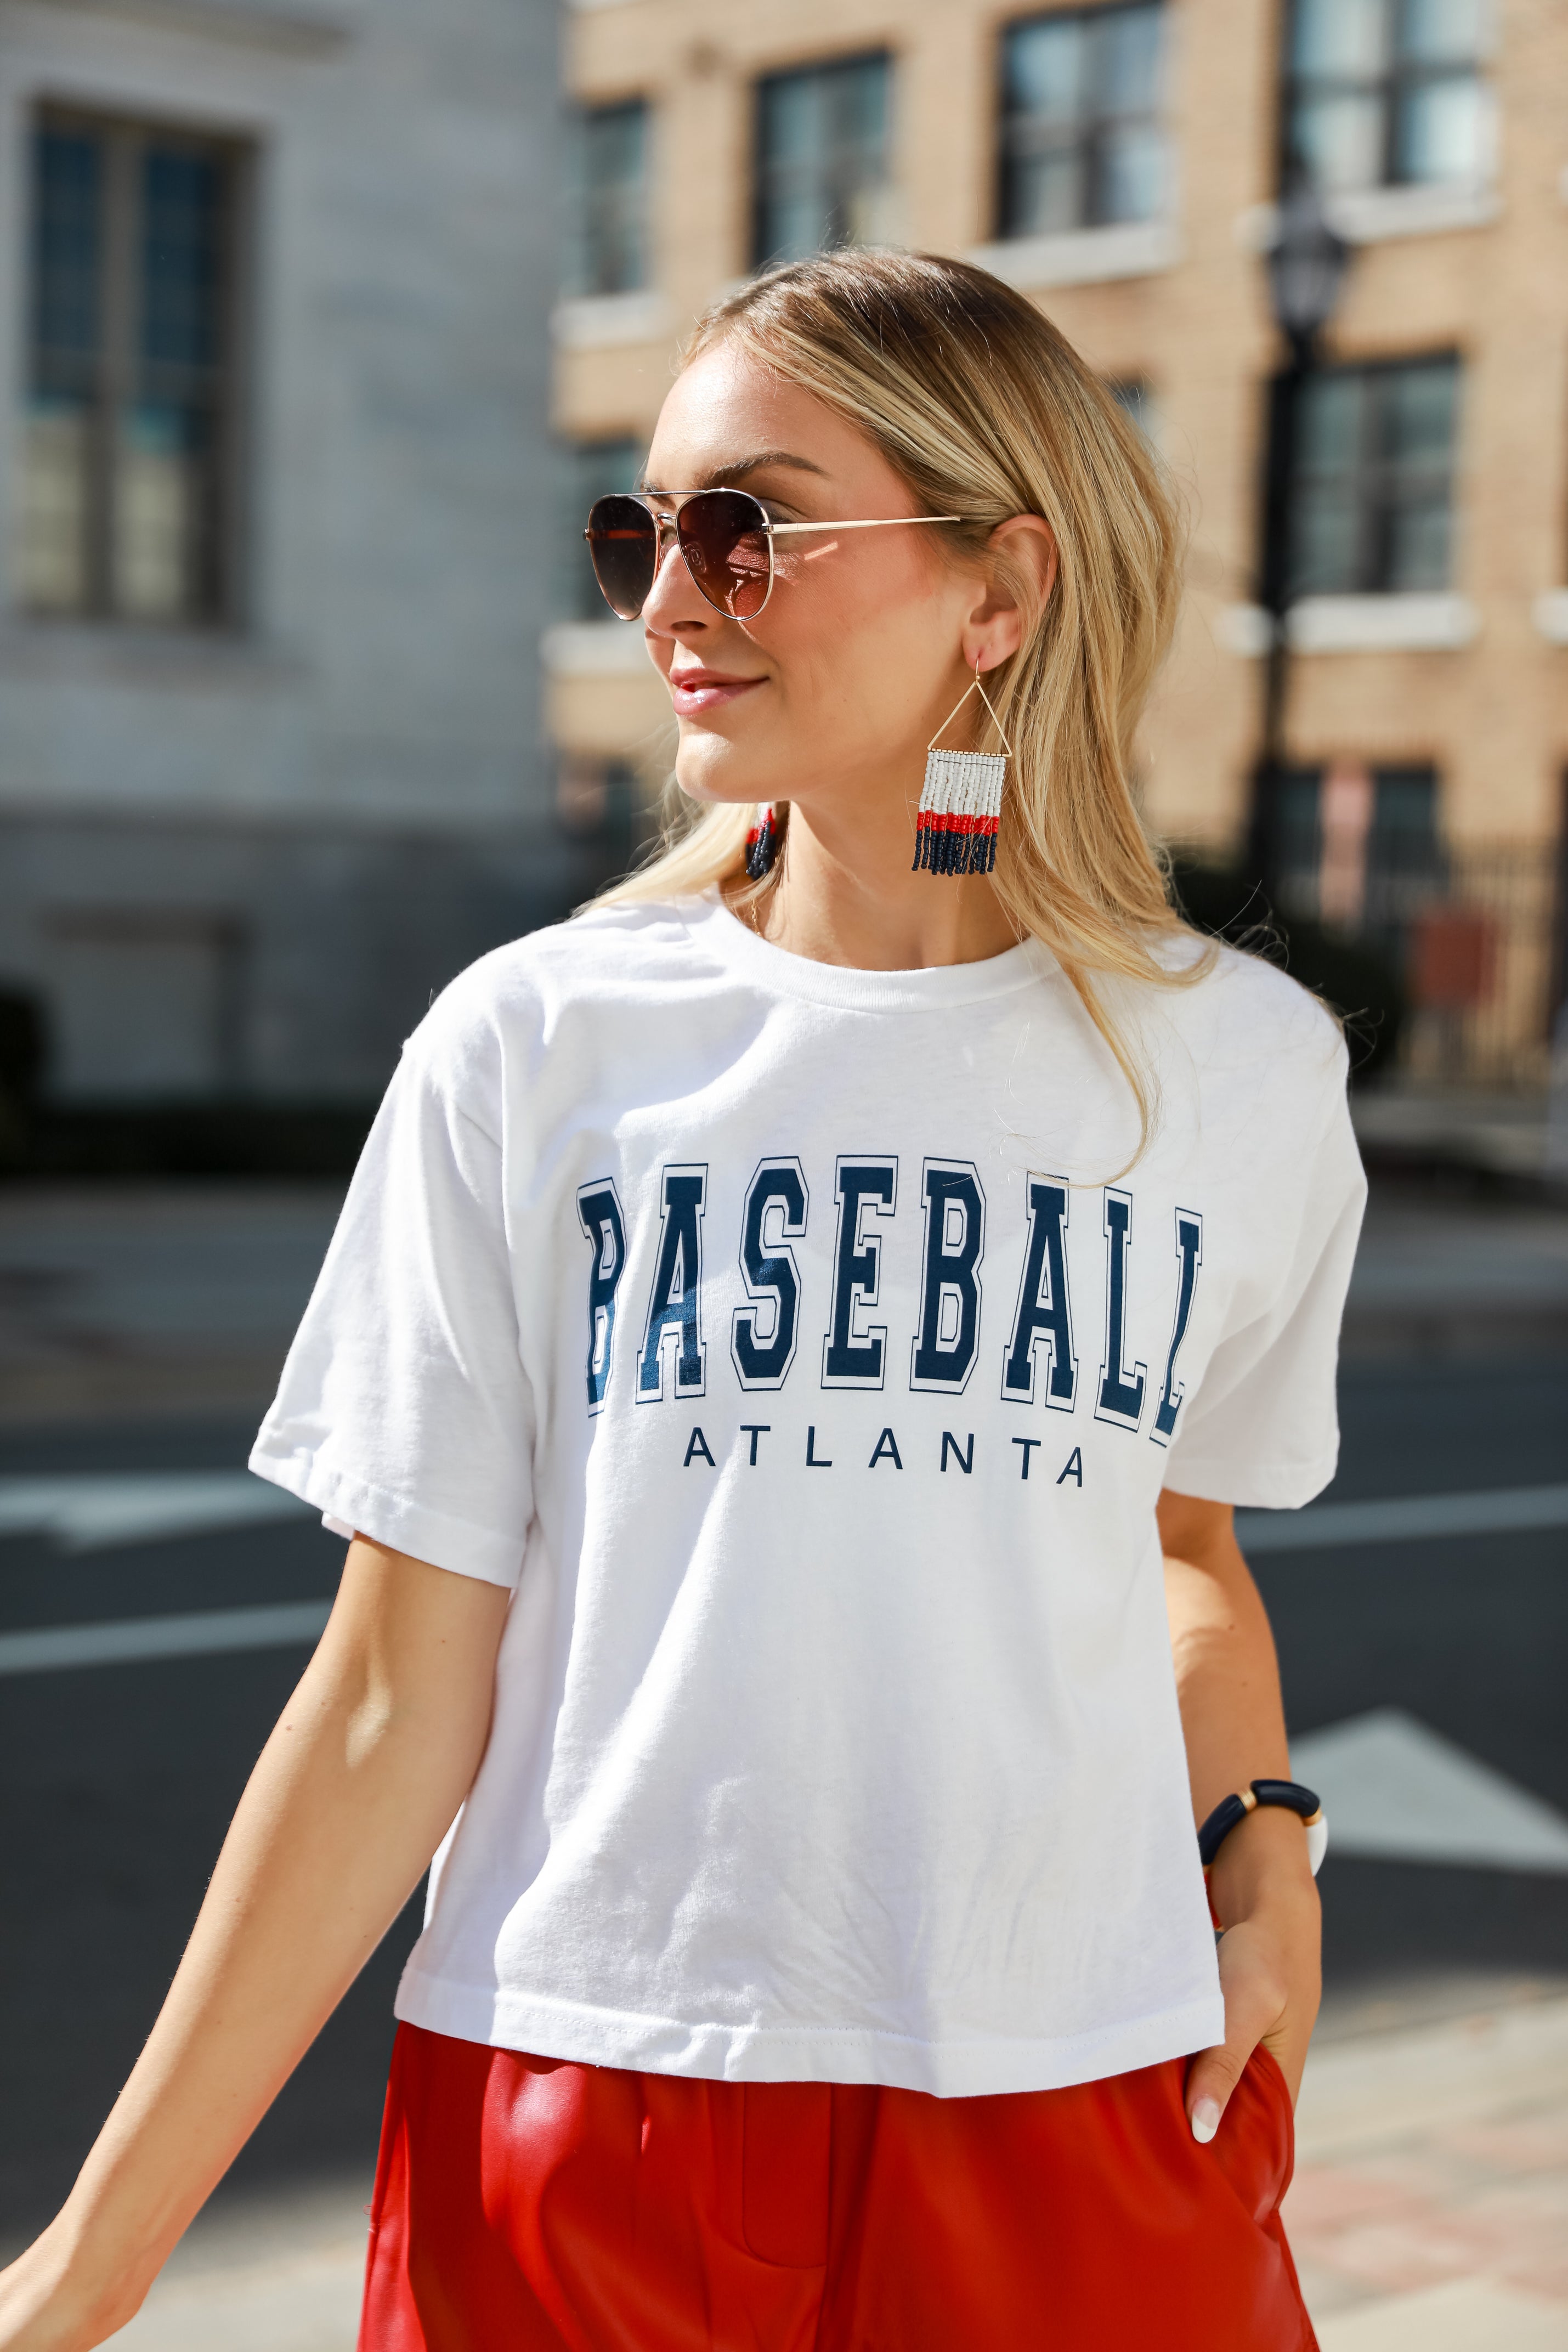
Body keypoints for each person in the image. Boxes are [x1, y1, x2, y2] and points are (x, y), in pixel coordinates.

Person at [0, 250, 1363, 2352]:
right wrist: (90, 2268)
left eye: (748, 528)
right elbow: (387, 1692)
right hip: (581, 2108)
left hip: (1086, 2093)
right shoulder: (535, 1045)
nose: (666, 599)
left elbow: (1180, 1548)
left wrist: (1261, 1854)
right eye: (641, 530)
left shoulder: (1244, 1070)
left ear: (999, 589)